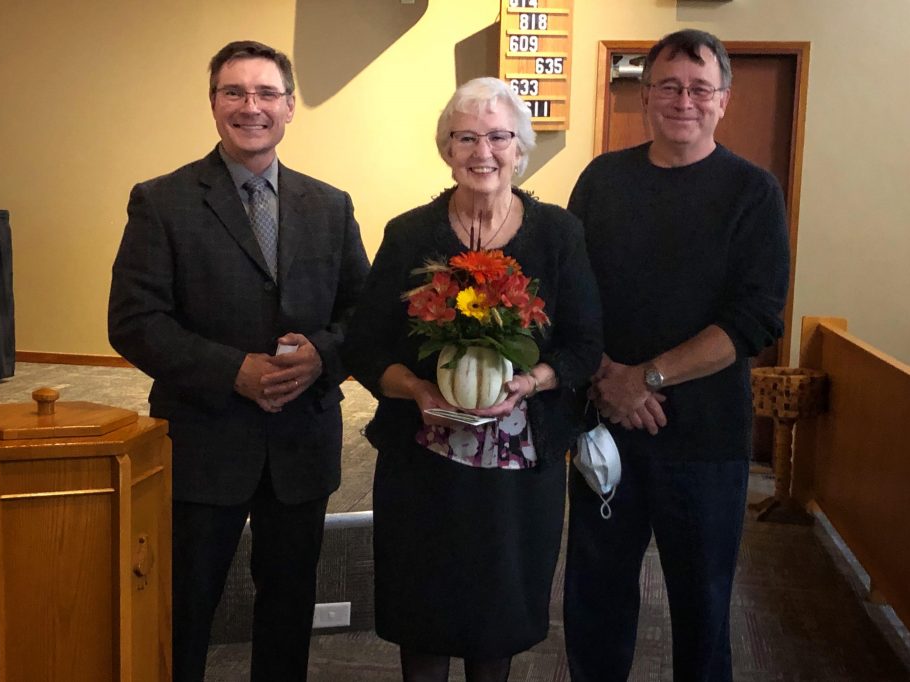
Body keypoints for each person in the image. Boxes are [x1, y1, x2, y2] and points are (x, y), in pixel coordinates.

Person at [107, 40, 369, 682]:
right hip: (205, 441)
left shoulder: (330, 205)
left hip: (301, 443)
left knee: (288, 608)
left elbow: (363, 315)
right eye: (235, 92)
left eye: (266, 93)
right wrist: (233, 371)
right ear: (214, 103)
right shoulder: (161, 201)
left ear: (290, 106)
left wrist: (322, 356)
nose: (251, 106)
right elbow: (134, 322)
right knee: (185, 608)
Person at [343, 77, 602, 682]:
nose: (482, 151)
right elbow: (364, 345)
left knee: (497, 616)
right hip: (422, 465)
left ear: (519, 148)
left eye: (498, 137)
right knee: (422, 611)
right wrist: (416, 390)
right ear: (446, 149)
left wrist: (532, 382)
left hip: (518, 467)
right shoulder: (410, 233)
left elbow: (585, 345)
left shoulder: (559, 234)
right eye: (465, 138)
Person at [564, 29, 791, 681]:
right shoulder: (602, 180)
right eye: (668, 86)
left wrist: (646, 378)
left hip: (707, 443)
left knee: (703, 608)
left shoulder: (753, 192)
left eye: (699, 89)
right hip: (606, 428)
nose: (683, 101)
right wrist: (607, 379)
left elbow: (754, 319)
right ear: (645, 96)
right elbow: (570, 293)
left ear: (723, 100)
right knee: (595, 602)